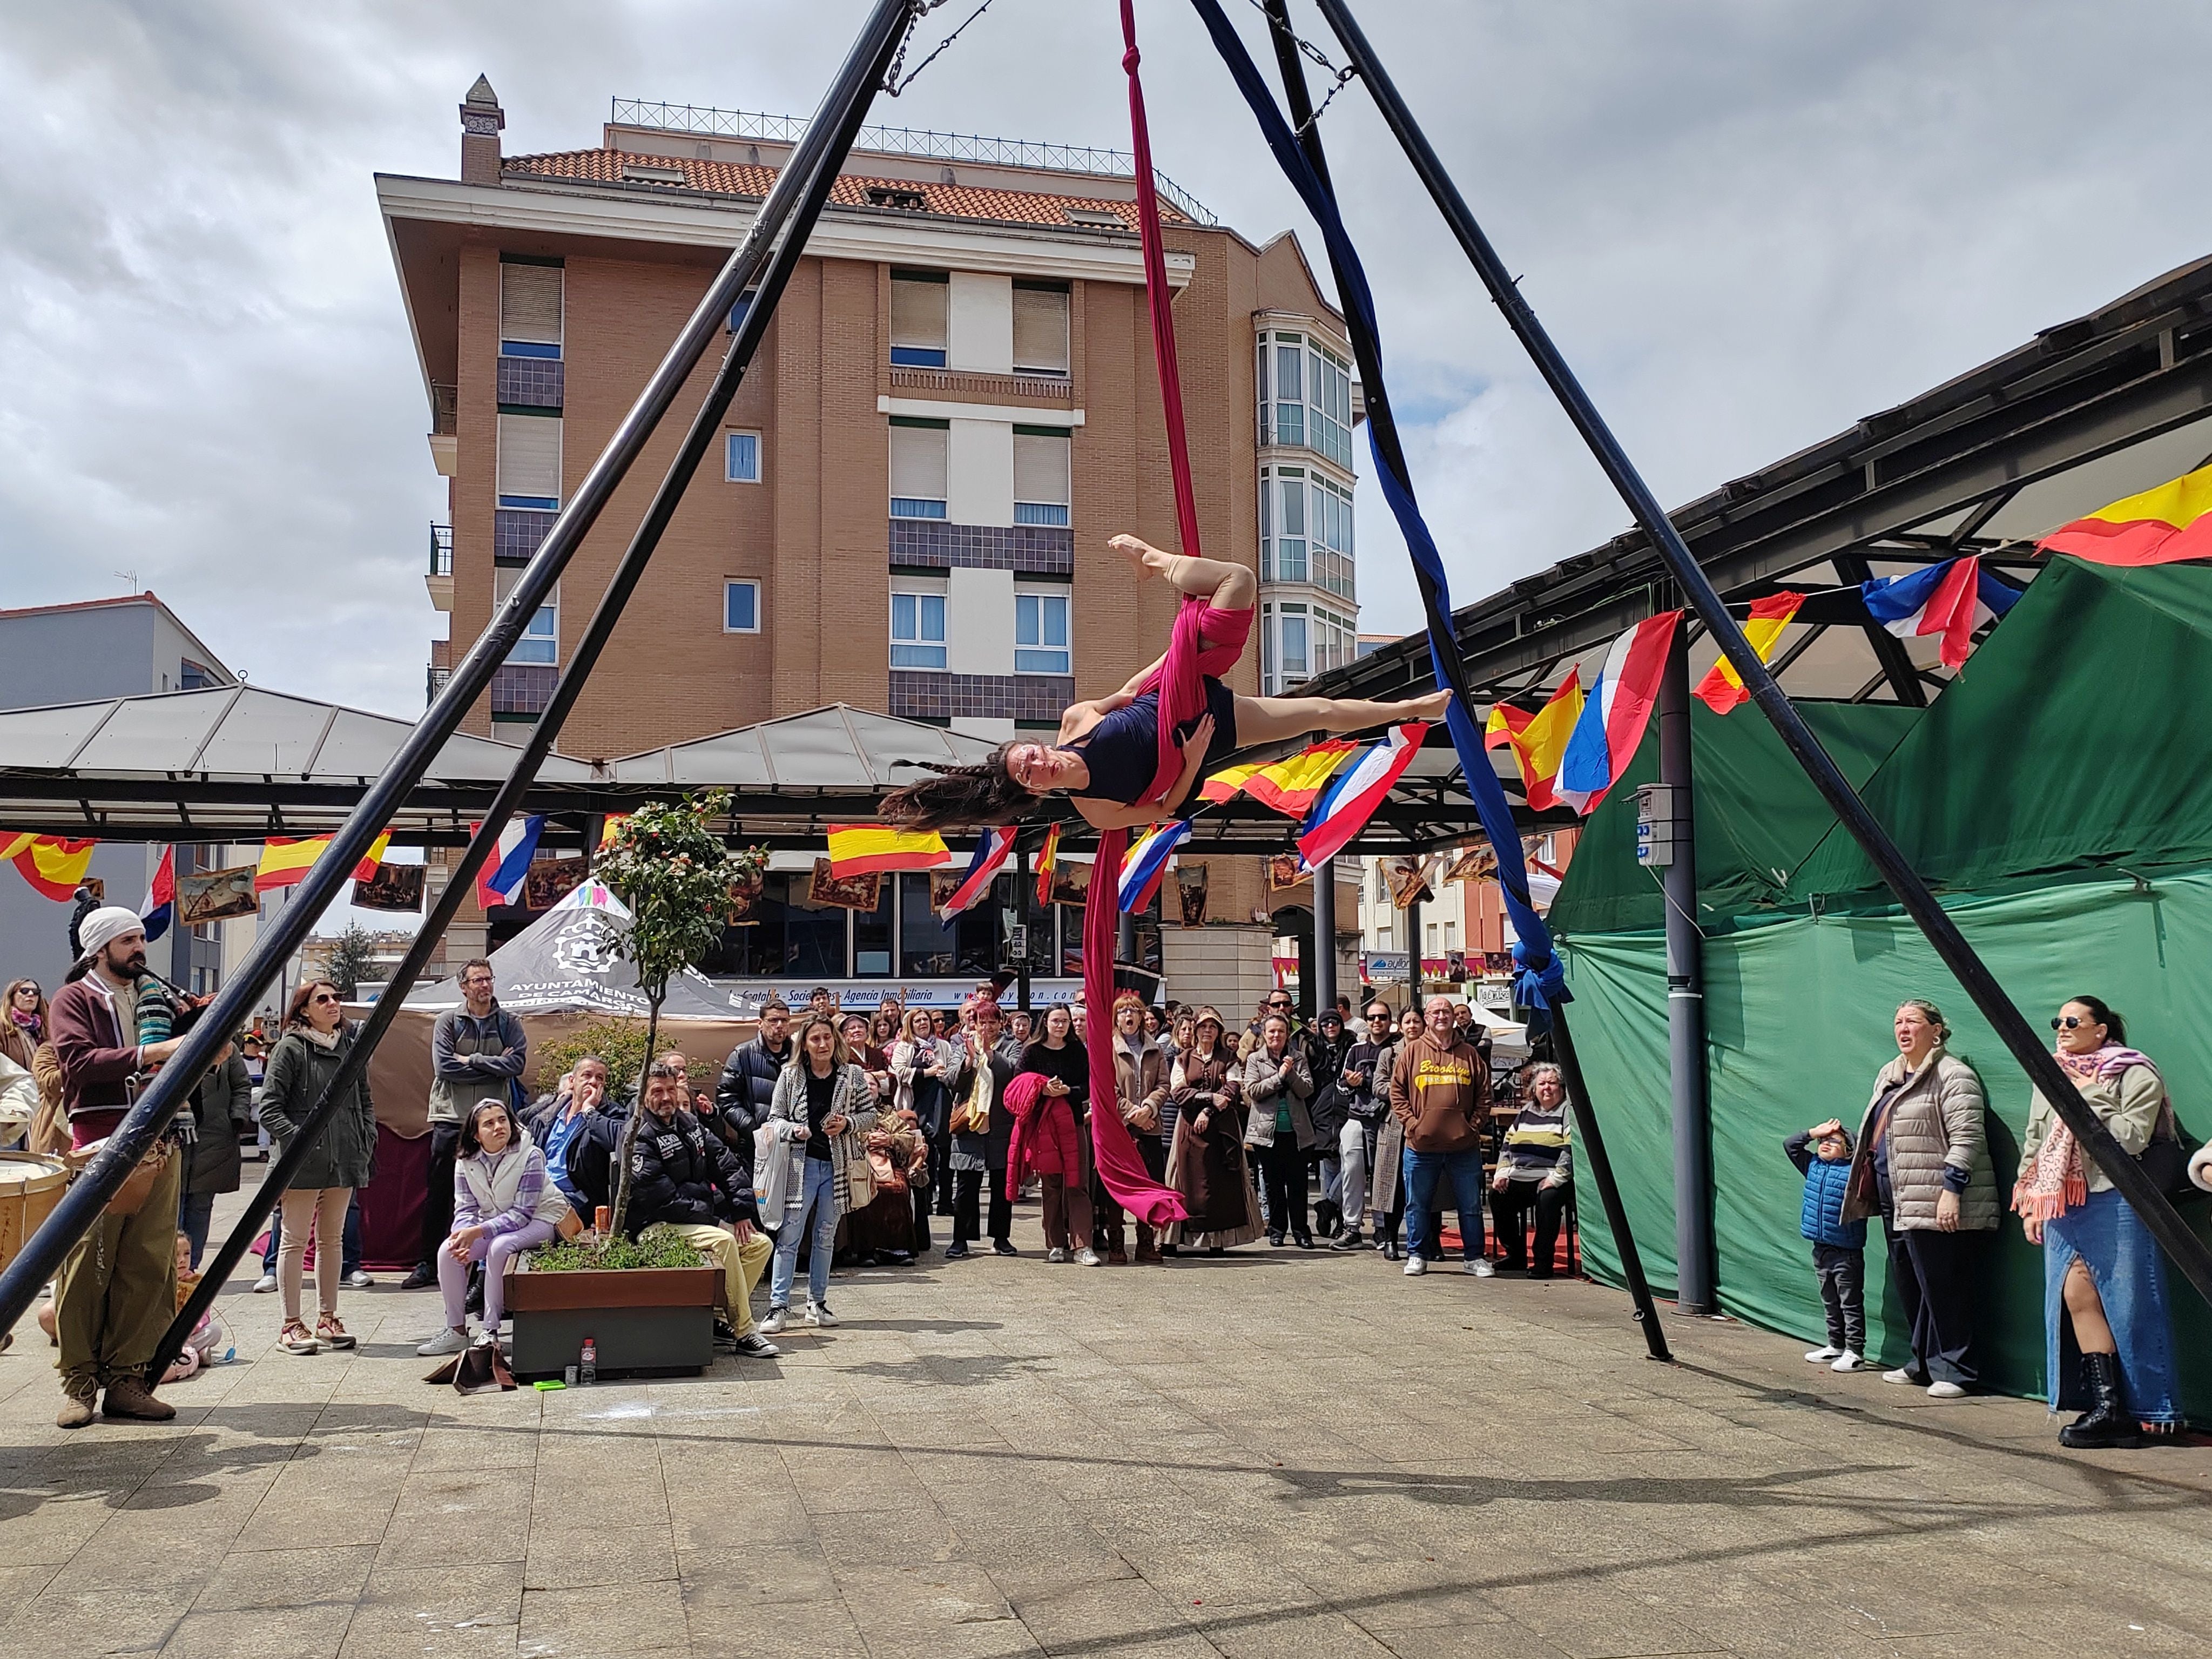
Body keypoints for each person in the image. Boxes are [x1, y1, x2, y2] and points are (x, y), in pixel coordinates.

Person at [878, 537, 1449, 832]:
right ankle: (1414, 709)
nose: (1036, 765)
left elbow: (1132, 690)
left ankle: (1155, 560)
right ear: (1032, 790)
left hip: (1178, 689)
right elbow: (1162, 810)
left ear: (1035, 745)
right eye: (1028, 774)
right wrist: (1194, 759)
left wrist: (1182, 649)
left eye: (1028, 756)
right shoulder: (1095, 808)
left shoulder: (1077, 720)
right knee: (1318, 712)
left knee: (1238, 580)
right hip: (1204, 733)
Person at [46, 908, 220, 1425]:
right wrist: (156, 1051)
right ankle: (78, 1384)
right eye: (128, 940)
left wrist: (208, 1029)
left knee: (149, 1263)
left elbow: (197, 1050)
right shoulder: (73, 998)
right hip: (100, 1143)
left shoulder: (158, 996)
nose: (140, 948)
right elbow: (76, 1062)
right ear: (99, 949)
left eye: (142, 938)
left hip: (163, 1138)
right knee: (85, 1268)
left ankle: (129, 1380)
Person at [2013, 995, 2181, 1447]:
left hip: (2117, 1196)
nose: (2062, 1029)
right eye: (2058, 1021)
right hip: (2063, 1202)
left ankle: (2153, 1410)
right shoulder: (2050, 1075)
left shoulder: (2135, 1071)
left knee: (2131, 1301)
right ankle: (2109, 1407)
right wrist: (2031, 1200)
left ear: (2101, 1030)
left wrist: (2085, 1096)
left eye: (2073, 1021)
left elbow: (2130, 1137)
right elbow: (2035, 1139)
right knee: (2074, 1293)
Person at [1841, 999, 1998, 1400]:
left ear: (1937, 1029)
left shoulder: (1954, 1075)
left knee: (1945, 1285)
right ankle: (1923, 1364)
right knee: (1913, 1284)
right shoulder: (1888, 1074)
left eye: (1912, 1021)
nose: (1903, 1028)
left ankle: (1959, 1370)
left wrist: (1952, 1191)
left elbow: (1968, 1137)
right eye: (1897, 1021)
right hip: (1896, 1197)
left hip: (1936, 1197)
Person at [621, 1062, 779, 1357]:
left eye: (671, 1090)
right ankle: (745, 1332)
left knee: (759, 1244)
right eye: (657, 1091)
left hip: (698, 1220)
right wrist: (716, 1222)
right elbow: (663, 1201)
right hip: (654, 1227)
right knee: (725, 1241)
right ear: (643, 1095)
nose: (666, 1097)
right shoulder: (638, 1136)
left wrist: (742, 1211)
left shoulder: (690, 1124)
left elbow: (726, 1165)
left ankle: (717, 1318)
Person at [258, 979, 376, 1356]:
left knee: (332, 1239)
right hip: (302, 1162)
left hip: (344, 1157)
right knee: (293, 1241)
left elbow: (366, 1100)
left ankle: (328, 1317)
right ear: (304, 1009)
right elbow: (269, 1108)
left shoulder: (350, 1048)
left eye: (336, 998)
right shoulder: (290, 1049)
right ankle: (291, 1324)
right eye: (322, 999)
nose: (332, 1004)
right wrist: (300, 1141)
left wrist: (365, 1138)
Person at [415, 1096, 574, 1356]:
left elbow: (523, 1214)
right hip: (496, 1221)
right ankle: (455, 1331)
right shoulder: (465, 1161)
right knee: (447, 1250)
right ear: (476, 1135)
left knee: (500, 1248)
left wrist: (477, 1232)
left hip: (544, 1218)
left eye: (503, 1120)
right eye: (489, 1123)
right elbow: (465, 1209)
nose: (498, 1127)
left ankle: (490, 1331)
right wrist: (462, 1237)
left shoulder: (531, 1155)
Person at [407, 960, 526, 1291]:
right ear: (464, 986)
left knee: (494, 1195)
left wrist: (471, 1060)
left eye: (489, 979)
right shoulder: (448, 1022)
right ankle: (428, 1263)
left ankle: (481, 1272)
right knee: (440, 1193)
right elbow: (445, 1068)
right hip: (451, 1117)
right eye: (477, 980)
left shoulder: (509, 1022)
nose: (485, 986)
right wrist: (495, 1066)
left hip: (492, 1123)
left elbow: (516, 1064)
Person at [759, 1014, 876, 1332]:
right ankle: (778, 1306)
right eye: (815, 1039)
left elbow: (870, 1115)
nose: (822, 1044)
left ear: (835, 1041)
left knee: (826, 1235)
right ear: (805, 1045)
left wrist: (848, 1124)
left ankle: (817, 1302)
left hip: (837, 1167)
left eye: (827, 1037)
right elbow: (774, 1119)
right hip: (802, 1165)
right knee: (789, 1236)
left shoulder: (851, 1075)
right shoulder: (791, 1075)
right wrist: (794, 1130)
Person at [1391, 995, 1492, 1278]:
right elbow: (1396, 1093)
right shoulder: (1411, 1053)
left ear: (1454, 1017)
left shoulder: (1470, 1054)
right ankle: (1417, 1255)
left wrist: (1473, 1127)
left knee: (1471, 1206)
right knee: (1417, 1204)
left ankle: (1474, 1258)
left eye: (1446, 1011)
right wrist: (1413, 1125)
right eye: (1435, 1012)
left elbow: (1485, 1095)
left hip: (1464, 1147)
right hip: (1421, 1146)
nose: (1441, 1016)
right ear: (1427, 1017)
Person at [1164, 1007, 1262, 1252]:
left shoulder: (1228, 1057)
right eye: (1203, 1026)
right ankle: (1173, 1239)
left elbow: (1232, 1088)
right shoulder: (1183, 1058)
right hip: (1188, 1126)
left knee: (1221, 1185)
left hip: (1221, 1129)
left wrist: (1208, 1112)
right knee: (1182, 1180)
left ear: (1218, 1031)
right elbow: (1178, 1091)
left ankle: (1218, 1242)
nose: (1208, 1031)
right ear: (1195, 1030)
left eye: (1213, 1027)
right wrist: (1207, 1098)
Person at [1016, 1004, 1098, 1265]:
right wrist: (1042, 1089)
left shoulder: (1077, 1051)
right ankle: (1055, 1244)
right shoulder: (1032, 1051)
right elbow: (1019, 1083)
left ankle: (1083, 1246)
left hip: (1073, 1124)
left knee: (1078, 1184)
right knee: (1051, 1186)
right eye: (1056, 1021)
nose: (1061, 1025)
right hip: (1045, 1128)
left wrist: (1067, 1092)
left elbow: (1087, 1087)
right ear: (1046, 1023)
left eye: (1065, 1021)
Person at [1784, 1115, 1865, 1371]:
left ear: (1849, 1150)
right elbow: (1790, 1145)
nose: (1826, 1143)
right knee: (1830, 1301)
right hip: (1820, 1248)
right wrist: (1813, 1131)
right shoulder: (1814, 1166)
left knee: (1849, 1303)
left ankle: (1855, 1352)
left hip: (1847, 1251)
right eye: (1823, 1140)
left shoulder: (1854, 1172)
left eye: (1834, 1140)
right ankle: (1836, 1346)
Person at [944, 997, 1019, 1259]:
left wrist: (990, 1056)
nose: (986, 1027)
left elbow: (1014, 1074)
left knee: (1001, 1185)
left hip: (1000, 1124)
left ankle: (1001, 1238)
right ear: (972, 1023)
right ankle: (960, 1240)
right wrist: (969, 1062)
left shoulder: (1012, 1045)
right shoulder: (961, 1046)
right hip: (969, 1125)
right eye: (981, 1022)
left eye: (992, 1022)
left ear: (1001, 1023)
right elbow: (950, 1079)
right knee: (966, 1185)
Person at [1239, 1013, 1318, 1249]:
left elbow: (1307, 1090)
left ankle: (1301, 1231)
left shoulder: (1298, 1058)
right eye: (1272, 1031)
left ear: (1287, 1035)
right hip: (1266, 1132)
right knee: (1273, 1184)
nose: (1276, 1035)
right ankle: (1277, 1230)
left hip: (1295, 1131)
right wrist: (1278, 1077)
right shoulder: (1255, 1059)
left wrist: (1290, 1073)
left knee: (1298, 1183)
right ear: (1264, 1034)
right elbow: (1252, 1090)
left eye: (1281, 1032)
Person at [1492, 1062, 1576, 1282]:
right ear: (1534, 1089)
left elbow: (1571, 1148)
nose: (1547, 1088)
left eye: (1552, 1083)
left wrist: (1557, 1177)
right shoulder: (1526, 1111)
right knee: (1498, 1197)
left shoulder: (1568, 1111)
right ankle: (1515, 1255)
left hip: (1553, 1176)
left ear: (1562, 1087)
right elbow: (1507, 1145)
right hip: (1521, 1174)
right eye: (1542, 1084)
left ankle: (1543, 1261)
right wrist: (1502, 1172)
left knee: (1548, 1199)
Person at [1103, 991, 1170, 1264]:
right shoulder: (1109, 1048)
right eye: (1123, 1012)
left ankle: (1146, 1242)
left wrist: (1149, 1109)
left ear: (1143, 1017)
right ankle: (1116, 1244)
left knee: (1150, 1186)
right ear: (1116, 1018)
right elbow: (1107, 1088)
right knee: (1117, 1188)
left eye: (1134, 1011)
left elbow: (1164, 1085)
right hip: (1120, 1129)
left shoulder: (1155, 1049)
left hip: (1150, 1127)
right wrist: (1132, 1112)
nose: (1128, 1016)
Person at [714, 999, 795, 1216]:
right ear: (761, 1023)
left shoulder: (800, 1055)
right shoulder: (743, 1054)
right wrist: (754, 1130)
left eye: (785, 1021)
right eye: (773, 1020)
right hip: (756, 1148)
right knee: (759, 1209)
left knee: (792, 1213)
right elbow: (726, 1098)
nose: (780, 1026)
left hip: (794, 1146)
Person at [179, 1040, 254, 1267]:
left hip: (214, 1137)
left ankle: (192, 1268)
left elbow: (242, 1085)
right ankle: (170, 1271)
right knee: (172, 1209)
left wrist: (236, 1119)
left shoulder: (228, 1048)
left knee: (201, 1208)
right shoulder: (173, 1041)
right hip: (179, 1137)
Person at [888, 1006, 954, 1247]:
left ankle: (946, 1201)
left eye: (925, 1020)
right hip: (913, 1106)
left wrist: (943, 1073)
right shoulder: (903, 1048)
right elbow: (899, 1072)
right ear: (910, 1025)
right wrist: (928, 1072)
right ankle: (924, 1202)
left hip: (940, 1105)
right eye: (917, 1021)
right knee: (919, 1156)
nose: (923, 1024)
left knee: (943, 1151)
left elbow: (952, 1074)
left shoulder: (944, 1046)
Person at [1331, 999, 1392, 1252]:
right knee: (1352, 1169)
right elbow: (1341, 1085)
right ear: (1366, 1021)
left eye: (1382, 1017)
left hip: (1385, 1119)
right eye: (1372, 1018)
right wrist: (1351, 1084)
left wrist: (1363, 1084)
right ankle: (1352, 1226)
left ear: (1390, 1021)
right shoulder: (1356, 1049)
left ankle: (1381, 1227)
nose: (1377, 1022)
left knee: (1382, 1173)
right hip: (1356, 1116)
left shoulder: (1397, 1049)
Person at [524, 1054, 611, 1226]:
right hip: (534, 1191)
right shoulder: (548, 1115)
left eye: (599, 1078)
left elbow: (617, 1140)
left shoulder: (610, 1114)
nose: (593, 1082)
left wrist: (589, 1111)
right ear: (572, 1081)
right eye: (587, 1075)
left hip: (573, 1201)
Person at [1307, 1008, 1353, 1239]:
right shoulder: (1313, 1049)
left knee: (1351, 1168)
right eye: (1326, 1024)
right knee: (1331, 1167)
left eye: (1335, 1023)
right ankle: (1337, 1220)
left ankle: (1328, 1205)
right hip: (1323, 1114)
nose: (1331, 1027)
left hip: (1347, 1112)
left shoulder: (1352, 1045)